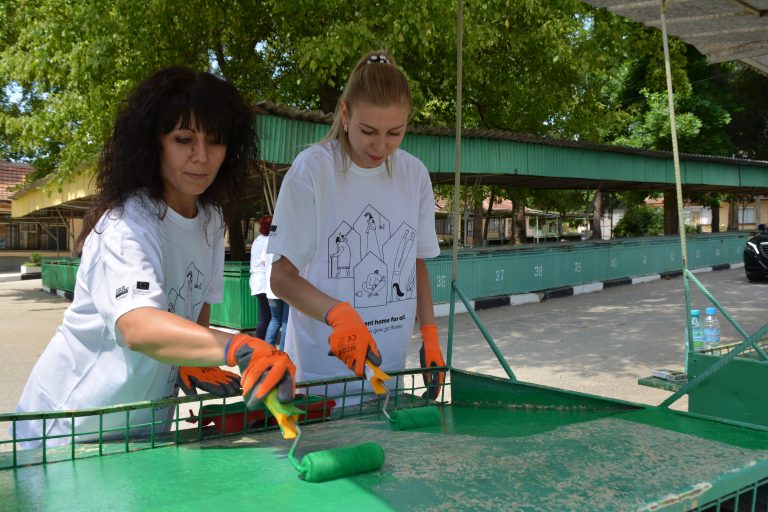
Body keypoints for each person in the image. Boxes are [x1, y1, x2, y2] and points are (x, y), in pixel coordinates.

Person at [13, 67, 295, 448]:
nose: (201, 156)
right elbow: (137, 326)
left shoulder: (210, 220)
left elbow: (198, 311)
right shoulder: (126, 224)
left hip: (144, 430)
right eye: (183, 139)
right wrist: (240, 346)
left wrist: (196, 358)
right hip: (69, 432)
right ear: (153, 142)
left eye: (215, 141)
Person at [268, 51, 445, 402]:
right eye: (369, 131)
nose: (381, 146)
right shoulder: (313, 170)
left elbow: (415, 262)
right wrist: (337, 314)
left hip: (388, 375)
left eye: (395, 132)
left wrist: (429, 333)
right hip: (322, 382)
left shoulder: (414, 174)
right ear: (345, 114)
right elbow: (280, 278)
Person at [249, 215, 272, 339]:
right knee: (266, 316)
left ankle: (261, 342)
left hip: (256, 279)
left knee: (265, 316)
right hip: (262, 280)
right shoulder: (267, 240)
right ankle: (260, 343)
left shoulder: (258, 240)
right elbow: (265, 261)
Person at [264, 249, 289, 350]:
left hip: (270, 288)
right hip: (286, 289)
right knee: (286, 322)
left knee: (275, 320)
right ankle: (283, 350)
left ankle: (267, 349)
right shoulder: (285, 246)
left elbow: (263, 262)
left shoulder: (268, 245)